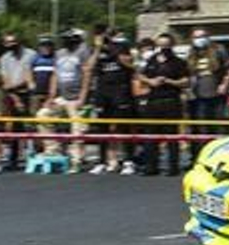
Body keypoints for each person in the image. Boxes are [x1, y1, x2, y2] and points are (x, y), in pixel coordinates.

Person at [82, 34, 137, 174]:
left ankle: (128, 161)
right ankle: (102, 161)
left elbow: (129, 64)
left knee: (123, 126)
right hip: (103, 93)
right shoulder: (99, 52)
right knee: (102, 128)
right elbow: (89, 68)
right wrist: (98, 48)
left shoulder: (123, 50)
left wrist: (114, 49)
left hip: (121, 92)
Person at [137, 33, 189, 176]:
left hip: (171, 101)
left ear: (172, 45)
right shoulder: (152, 60)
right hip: (153, 101)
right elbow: (141, 75)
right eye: (160, 45)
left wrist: (168, 81)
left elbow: (185, 81)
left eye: (166, 45)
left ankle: (173, 167)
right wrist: (150, 81)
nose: (163, 48)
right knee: (150, 136)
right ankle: (151, 167)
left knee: (172, 136)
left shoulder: (178, 62)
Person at [50, 30, 91, 170]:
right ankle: (54, 151)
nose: (67, 43)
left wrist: (83, 97)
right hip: (62, 96)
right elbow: (55, 74)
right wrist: (51, 97)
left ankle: (76, 160)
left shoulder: (82, 52)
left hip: (76, 97)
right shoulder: (59, 53)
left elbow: (87, 74)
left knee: (77, 128)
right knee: (44, 115)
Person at [0, 32, 35, 166]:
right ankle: (13, 157)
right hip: (12, 95)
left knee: (30, 124)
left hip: (28, 94)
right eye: (8, 43)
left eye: (13, 42)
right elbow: (5, 81)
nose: (11, 45)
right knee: (13, 126)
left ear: (19, 41)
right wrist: (15, 98)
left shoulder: (31, 55)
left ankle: (32, 153)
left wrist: (15, 88)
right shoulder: (4, 59)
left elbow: (29, 79)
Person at [186, 29, 227, 139]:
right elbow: (189, 74)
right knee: (203, 127)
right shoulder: (191, 55)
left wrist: (224, 84)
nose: (200, 40)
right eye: (196, 37)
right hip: (199, 96)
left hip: (217, 95)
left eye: (202, 36)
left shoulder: (218, 51)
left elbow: (227, 70)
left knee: (219, 126)